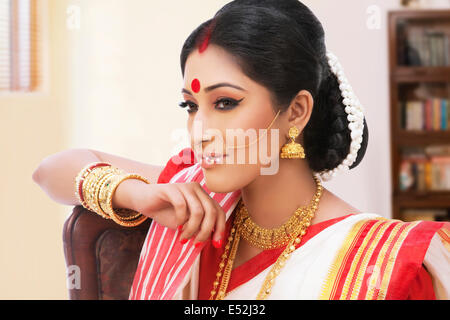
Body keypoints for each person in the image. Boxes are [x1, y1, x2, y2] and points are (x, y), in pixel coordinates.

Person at [33, 0, 449, 300]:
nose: (200, 132)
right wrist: (136, 194)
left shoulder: (385, 264)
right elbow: (52, 171)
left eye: (226, 103)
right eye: (191, 106)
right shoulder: (197, 203)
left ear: (297, 111)